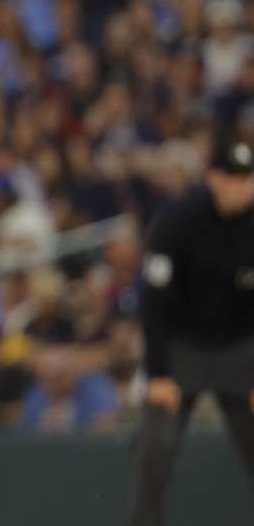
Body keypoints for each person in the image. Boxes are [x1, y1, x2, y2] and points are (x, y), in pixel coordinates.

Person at [129, 133, 254, 526]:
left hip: (240, 347)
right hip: (182, 347)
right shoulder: (179, 219)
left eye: (248, 178)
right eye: (233, 177)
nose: (242, 187)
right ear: (213, 178)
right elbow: (154, 299)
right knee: (155, 450)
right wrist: (158, 372)